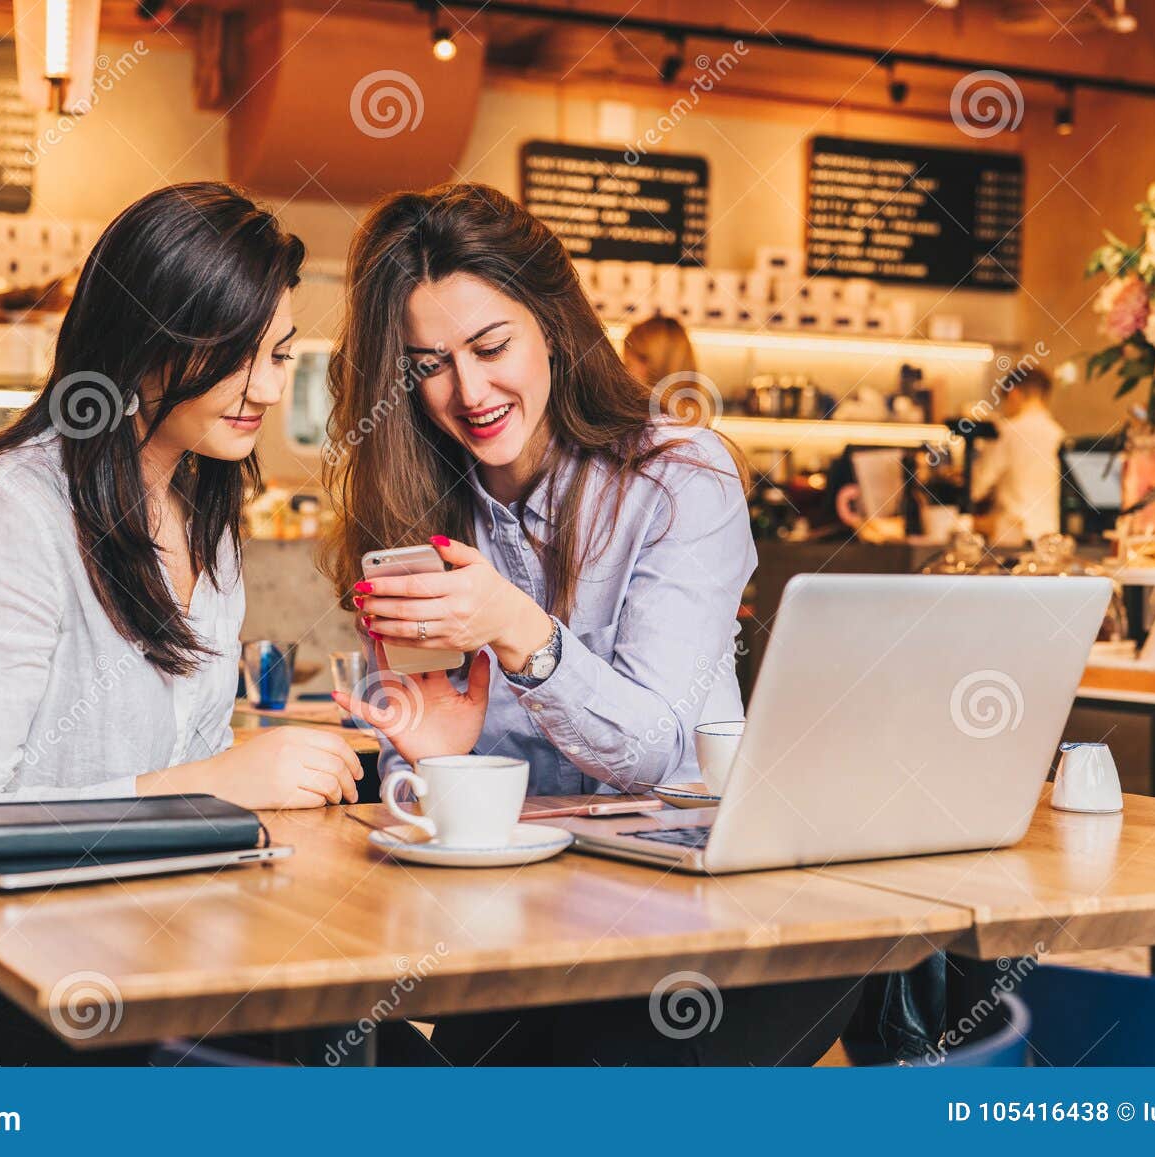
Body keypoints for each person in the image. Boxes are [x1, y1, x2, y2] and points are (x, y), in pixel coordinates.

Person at [321, 182, 859, 1064]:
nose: (469, 390)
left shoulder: (681, 478)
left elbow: (651, 748)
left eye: (492, 346)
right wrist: (432, 758)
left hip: (698, 942)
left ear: (553, 324)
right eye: (428, 366)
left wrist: (514, 625)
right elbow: (456, 810)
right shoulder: (416, 503)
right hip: (511, 933)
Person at [0, 183, 363, 1067]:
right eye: (238, 355)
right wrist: (217, 783)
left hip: (148, 953)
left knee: (388, 1060)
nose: (267, 387)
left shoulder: (204, 521)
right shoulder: (8, 516)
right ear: (145, 339)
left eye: (281, 355)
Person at [970, 366, 1066, 548]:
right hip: (1050, 535)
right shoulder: (1058, 434)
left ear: (1013, 394)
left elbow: (977, 486)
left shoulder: (1007, 432)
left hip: (1013, 535)